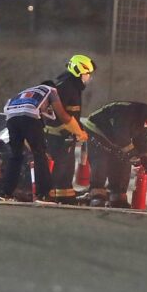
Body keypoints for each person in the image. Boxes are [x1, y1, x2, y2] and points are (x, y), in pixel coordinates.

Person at [1, 81, 88, 202]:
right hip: (29, 117)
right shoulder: (51, 90)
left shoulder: (26, 92)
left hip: (11, 118)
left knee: (16, 156)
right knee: (40, 156)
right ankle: (44, 193)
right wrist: (80, 132)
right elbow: (63, 116)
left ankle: (5, 192)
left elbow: (24, 120)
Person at [82, 101, 147, 208]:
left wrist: (144, 158)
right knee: (101, 162)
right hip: (97, 130)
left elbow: (141, 141)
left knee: (122, 162)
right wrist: (134, 158)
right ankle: (97, 194)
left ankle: (117, 195)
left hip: (113, 136)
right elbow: (121, 138)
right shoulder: (126, 113)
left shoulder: (142, 120)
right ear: (143, 116)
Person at [44, 55, 95, 203]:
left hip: (64, 135)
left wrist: (78, 129)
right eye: (87, 73)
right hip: (57, 136)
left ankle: (65, 195)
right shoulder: (66, 86)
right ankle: (51, 195)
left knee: (66, 169)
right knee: (60, 168)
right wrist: (78, 132)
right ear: (79, 71)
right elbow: (61, 115)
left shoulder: (71, 86)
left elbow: (73, 114)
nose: (89, 77)